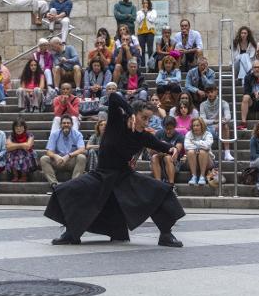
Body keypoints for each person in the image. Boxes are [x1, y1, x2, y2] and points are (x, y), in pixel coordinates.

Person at [45, 94, 185, 247]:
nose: (146, 123)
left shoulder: (143, 136)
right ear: (134, 114)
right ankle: (71, 233)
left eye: (149, 119)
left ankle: (166, 234)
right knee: (65, 190)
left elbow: (160, 145)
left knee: (161, 190)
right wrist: (129, 111)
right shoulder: (116, 123)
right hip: (101, 174)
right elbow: (113, 97)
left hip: (124, 176)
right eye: (144, 118)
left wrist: (171, 148)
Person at [40, 114, 87, 191]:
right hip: (58, 161)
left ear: (72, 124)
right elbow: (48, 151)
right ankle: (54, 184)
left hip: (71, 161)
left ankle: (74, 183)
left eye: (68, 123)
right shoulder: (54, 134)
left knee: (82, 157)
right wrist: (55, 156)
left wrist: (68, 156)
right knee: (44, 159)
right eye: (64, 123)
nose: (66, 125)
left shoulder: (77, 134)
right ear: (60, 124)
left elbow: (82, 149)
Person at [199, 86, 234, 161]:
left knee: (225, 126)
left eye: (212, 92)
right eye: (208, 93)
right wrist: (214, 121)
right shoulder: (202, 104)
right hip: (207, 127)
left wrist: (220, 122)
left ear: (216, 92)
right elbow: (203, 120)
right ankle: (209, 153)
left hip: (220, 127)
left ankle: (227, 153)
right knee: (201, 125)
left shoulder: (224, 103)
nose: (210, 94)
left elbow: (228, 117)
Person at [151, 116, 184, 195]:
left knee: (168, 157)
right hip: (158, 160)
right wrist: (160, 151)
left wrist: (166, 147)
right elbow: (151, 150)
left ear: (174, 127)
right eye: (166, 128)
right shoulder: (159, 133)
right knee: (154, 157)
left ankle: (171, 185)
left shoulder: (179, 136)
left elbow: (177, 150)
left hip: (173, 162)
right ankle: (159, 185)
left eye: (170, 129)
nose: (168, 131)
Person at [184, 117, 214, 186]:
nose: (195, 127)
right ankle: (194, 176)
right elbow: (187, 146)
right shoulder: (189, 134)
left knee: (203, 152)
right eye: (194, 126)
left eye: (197, 125)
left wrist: (194, 142)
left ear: (202, 125)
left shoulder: (208, 134)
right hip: (192, 161)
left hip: (207, 161)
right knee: (190, 152)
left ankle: (202, 176)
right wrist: (200, 145)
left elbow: (207, 146)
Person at [6, 118, 36, 183]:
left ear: (24, 128)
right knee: (11, 154)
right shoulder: (11, 136)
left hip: (27, 155)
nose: (18, 129)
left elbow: (28, 146)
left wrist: (14, 145)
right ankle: (15, 176)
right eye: (16, 127)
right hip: (15, 155)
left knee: (22, 153)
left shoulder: (29, 135)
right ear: (14, 129)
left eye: (20, 127)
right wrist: (22, 145)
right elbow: (8, 147)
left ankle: (24, 176)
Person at [136, 0, 157, 65]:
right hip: (141, 32)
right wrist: (143, 13)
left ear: (149, 4)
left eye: (146, 3)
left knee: (150, 49)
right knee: (142, 49)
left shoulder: (153, 11)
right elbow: (138, 20)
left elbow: (152, 19)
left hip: (150, 32)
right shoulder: (139, 12)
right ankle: (142, 65)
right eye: (144, 3)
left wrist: (147, 13)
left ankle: (151, 65)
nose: (145, 4)